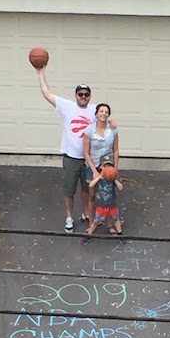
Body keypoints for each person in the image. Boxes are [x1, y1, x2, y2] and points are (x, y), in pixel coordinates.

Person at [36, 66, 115, 232]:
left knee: (87, 190)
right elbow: (46, 93)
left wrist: (112, 122)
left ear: (90, 96)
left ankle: (86, 213)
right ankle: (69, 217)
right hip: (71, 157)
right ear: (76, 96)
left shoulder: (94, 110)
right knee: (69, 190)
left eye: (86, 94)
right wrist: (41, 73)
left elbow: (104, 116)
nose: (83, 97)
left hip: (90, 159)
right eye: (81, 94)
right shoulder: (67, 106)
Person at [83, 104, 121, 234]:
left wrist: (115, 168)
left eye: (106, 112)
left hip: (108, 167)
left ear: (109, 115)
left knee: (109, 196)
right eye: (101, 111)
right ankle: (92, 223)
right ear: (96, 114)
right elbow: (86, 153)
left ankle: (110, 225)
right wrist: (94, 170)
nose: (103, 114)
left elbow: (115, 150)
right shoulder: (89, 131)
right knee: (92, 196)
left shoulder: (113, 130)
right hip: (93, 166)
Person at [87, 156, 123, 236]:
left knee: (116, 219)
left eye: (109, 166)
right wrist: (99, 177)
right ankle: (89, 235)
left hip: (111, 204)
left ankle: (120, 234)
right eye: (105, 166)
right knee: (96, 221)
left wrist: (115, 179)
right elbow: (91, 185)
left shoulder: (112, 179)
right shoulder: (100, 178)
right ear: (101, 167)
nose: (107, 168)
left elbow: (120, 187)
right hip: (101, 204)